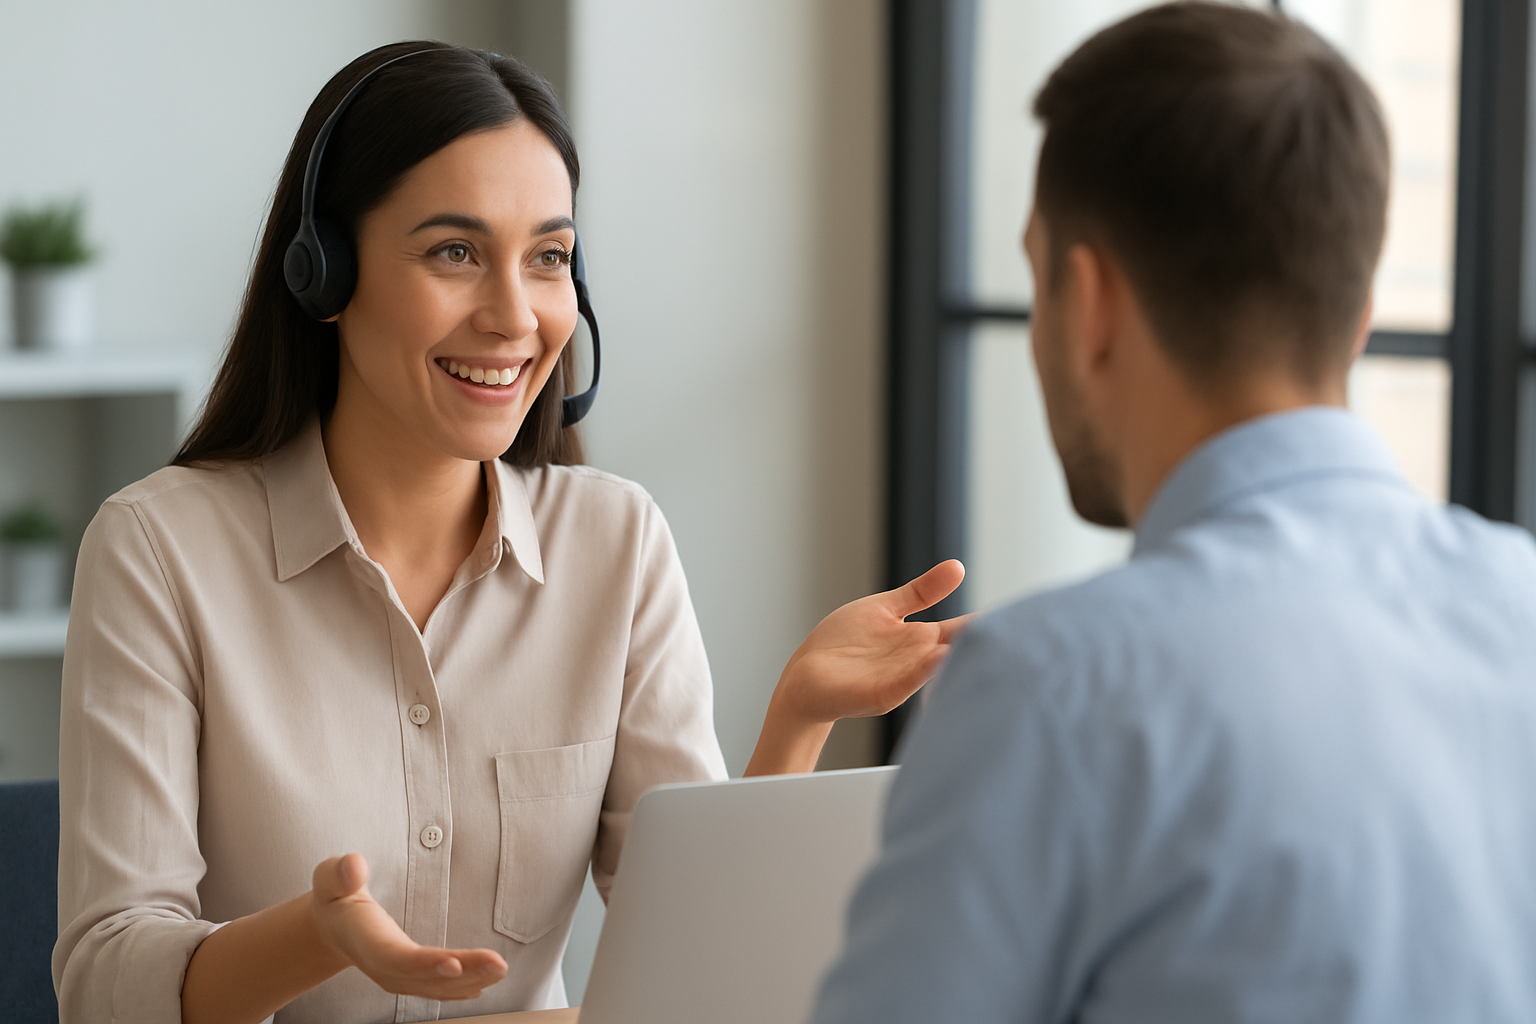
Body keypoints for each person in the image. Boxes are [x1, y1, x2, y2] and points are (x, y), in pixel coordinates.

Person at [52, 43, 966, 1024]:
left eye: (549, 258)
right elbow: (107, 983)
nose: (514, 315)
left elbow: (704, 966)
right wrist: (312, 935)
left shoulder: (617, 543)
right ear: (325, 273)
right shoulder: (157, 551)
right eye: (454, 251)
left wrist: (797, 717)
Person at [811, 4, 1536, 1023]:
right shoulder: (1522, 605)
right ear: (1359, 310)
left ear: (1090, 299)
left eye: (1036, 279)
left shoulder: (1046, 690)